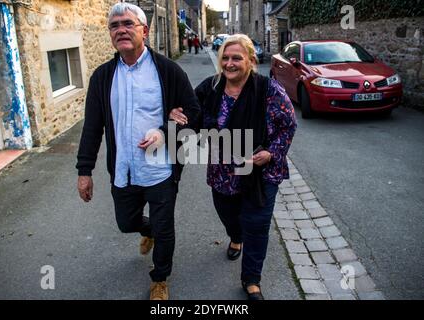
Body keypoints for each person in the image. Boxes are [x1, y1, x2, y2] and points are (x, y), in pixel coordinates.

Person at [76, 2, 200, 300]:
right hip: (124, 169)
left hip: (160, 169)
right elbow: (92, 127)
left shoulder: (168, 71)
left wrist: (166, 132)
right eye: (114, 25)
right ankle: (149, 232)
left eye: (127, 24)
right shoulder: (102, 77)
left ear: (144, 30)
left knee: (165, 227)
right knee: (126, 223)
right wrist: (84, 171)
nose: (121, 29)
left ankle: (160, 277)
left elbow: (195, 114)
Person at [169, 34, 297, 300]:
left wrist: (271, 153)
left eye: (236, 58)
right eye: (225, 58)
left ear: (250, 60)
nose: (229, 63)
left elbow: (288, 124)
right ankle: (235, 235)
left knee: (257, 224)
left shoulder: (268, 90)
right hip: (222, 171)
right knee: (228, 214)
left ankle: (251, 280)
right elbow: (191, 114)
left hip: (260, 172)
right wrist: (175, 115)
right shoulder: (211, 87)